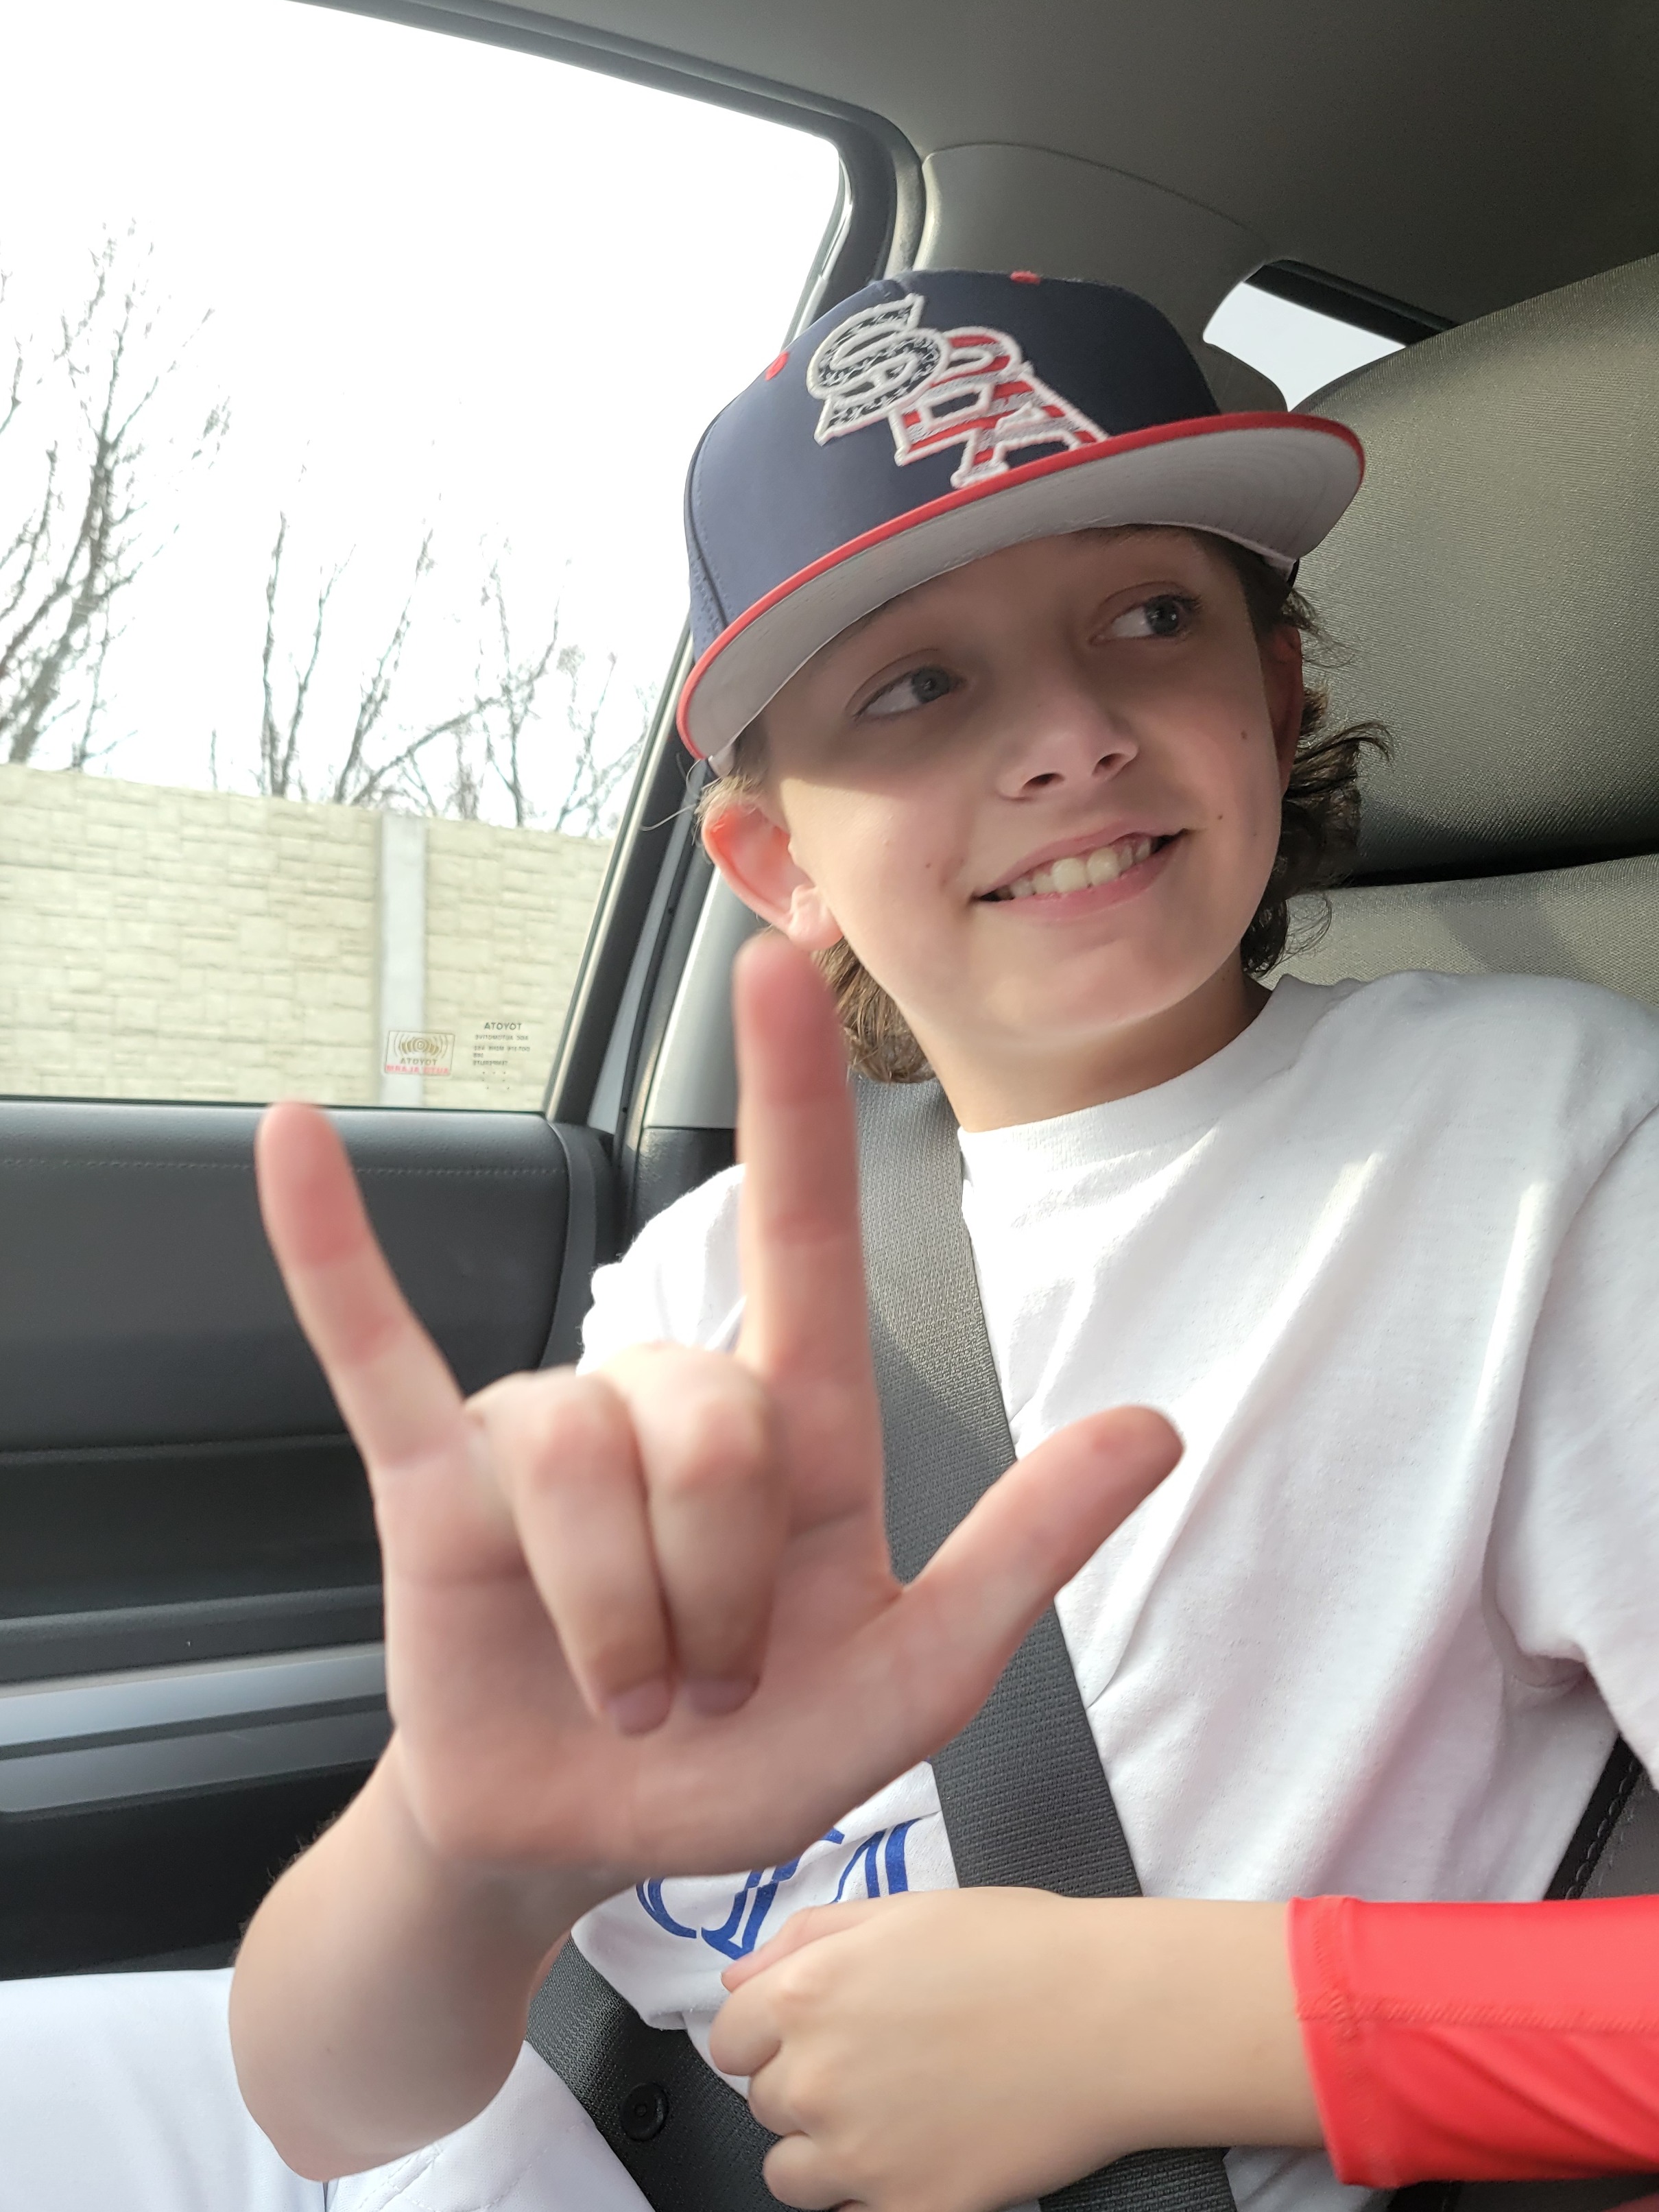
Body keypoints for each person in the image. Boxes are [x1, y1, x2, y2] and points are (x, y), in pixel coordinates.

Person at [5, 268, 1659, 2212]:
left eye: (1151, 617)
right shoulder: (709, 1272)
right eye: (916, 685)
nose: (1072, 736)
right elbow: (329, 2108)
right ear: (778, 861)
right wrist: (463, 1843)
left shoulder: (1546, 1141)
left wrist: (1178, 2019)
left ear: (1271, 693)